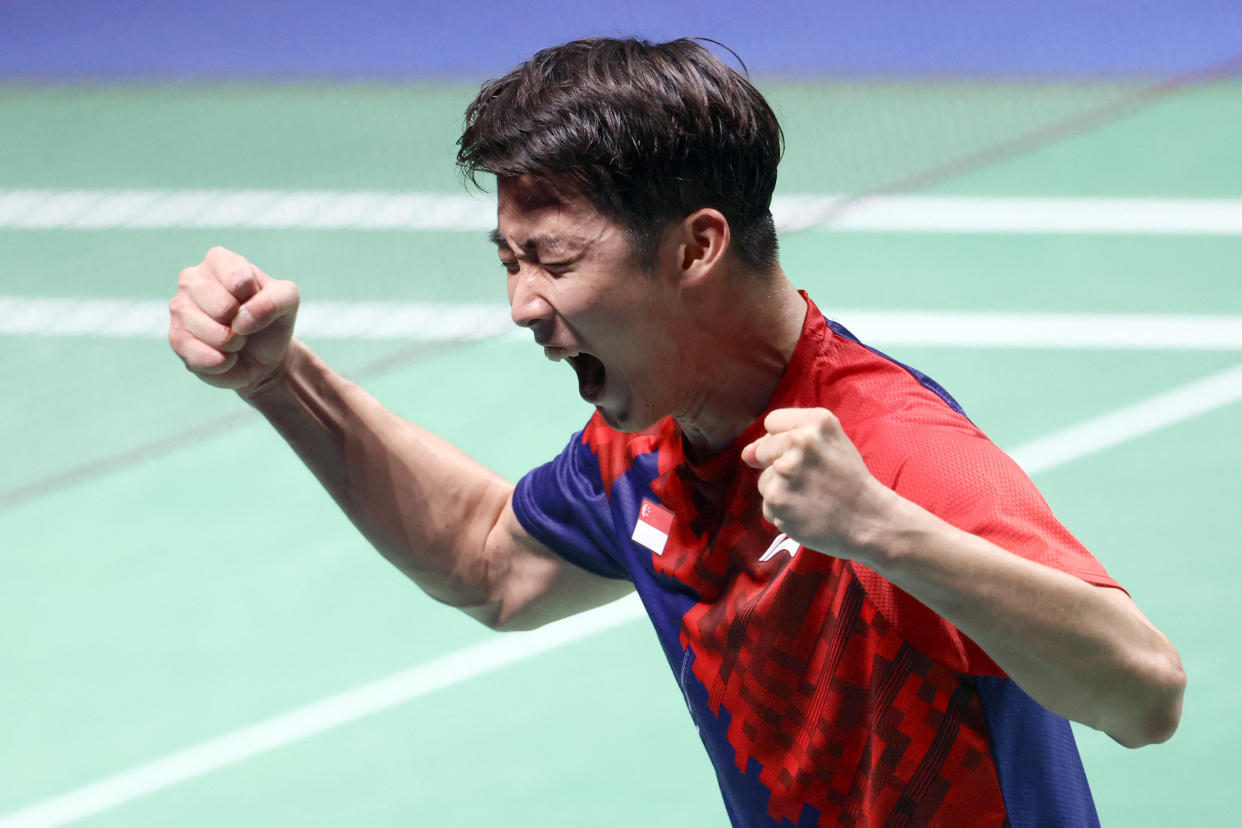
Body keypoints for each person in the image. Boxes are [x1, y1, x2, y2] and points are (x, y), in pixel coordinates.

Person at [168, 37, 1185, 828]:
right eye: (508, 259)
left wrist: (881, 529)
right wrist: (282, 383)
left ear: (698, 245)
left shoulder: (889, 448)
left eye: (553, 260)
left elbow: (1144, 695)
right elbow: (491, 564)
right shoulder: (646, 439)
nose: (522, 304)